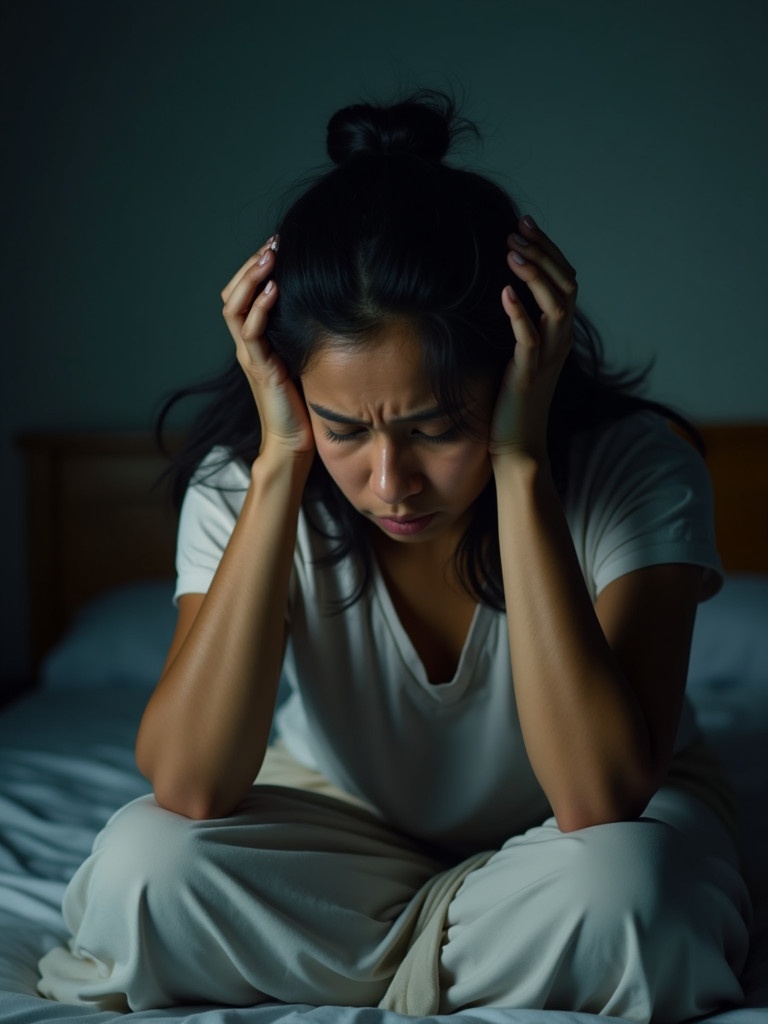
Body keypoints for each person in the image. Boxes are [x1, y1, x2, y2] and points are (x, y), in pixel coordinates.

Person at [38, 91, 751, 1021]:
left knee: (631, 891)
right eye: (345, 430)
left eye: (436, 427)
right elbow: (191, 783)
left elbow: (598, 796)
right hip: (343, 828)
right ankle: (476, 949)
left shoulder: (632, 467)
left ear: (514, 372)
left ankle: (370, 956)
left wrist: (517, 461)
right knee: (144, 864)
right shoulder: (251, 477)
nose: (390, 482)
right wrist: (286, 461)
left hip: (585, 841)